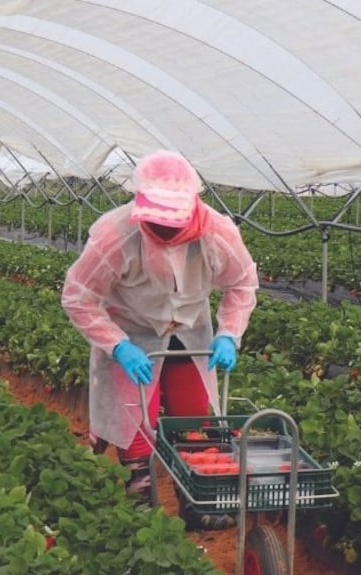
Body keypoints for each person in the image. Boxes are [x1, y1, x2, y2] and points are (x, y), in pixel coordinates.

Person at [61, 150, 259, 530]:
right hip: (131, 331)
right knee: (136, 417)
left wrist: (229, 334)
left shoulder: (217, 232)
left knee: (194, 416)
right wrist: (117, 345)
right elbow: (78, 295)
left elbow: (241, 283)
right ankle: (141, 501)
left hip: (189, 331)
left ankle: (198, 501)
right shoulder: (116, 235)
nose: (167, 233)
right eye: (158, 225)